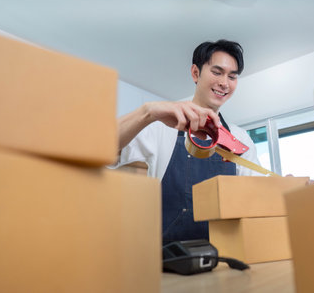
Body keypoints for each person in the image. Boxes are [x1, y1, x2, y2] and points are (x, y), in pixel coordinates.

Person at [112, 39, 261, 244]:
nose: (224, 83)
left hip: (225, 259)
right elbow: (99, 148)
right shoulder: (160, 126)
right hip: (169, 262)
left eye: (232, 76)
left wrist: (287, 189)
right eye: (217, 72)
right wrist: (147, 112)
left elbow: (257, 196)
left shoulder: (241, 139)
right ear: (195, 73)